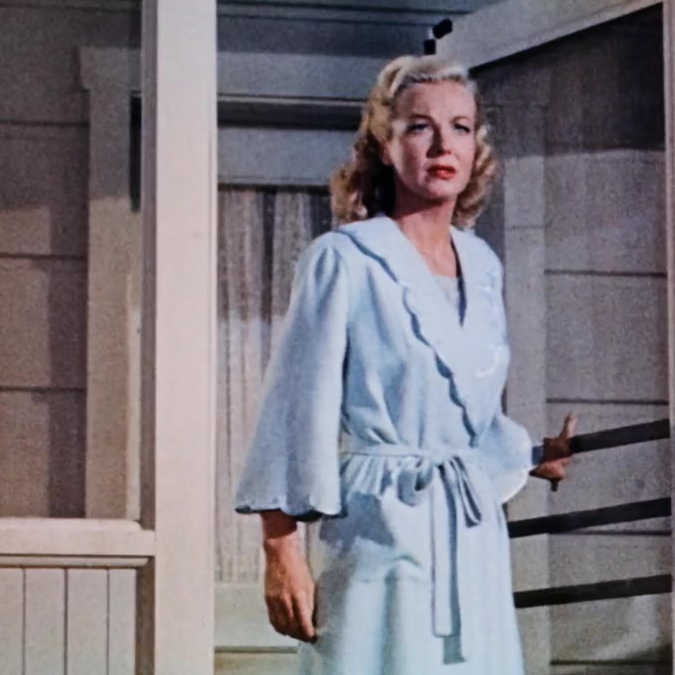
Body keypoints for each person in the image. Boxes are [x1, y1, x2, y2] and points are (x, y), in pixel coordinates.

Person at [234, 54, 576, 674]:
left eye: (460, 128)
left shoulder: (483, 264)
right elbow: (291, 408)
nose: (443, 145)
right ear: (385, 146)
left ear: (476, 149)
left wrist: (527, 455)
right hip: (378, 526)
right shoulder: (344, 258)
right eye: (420, 127)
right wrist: (281, 552)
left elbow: (460, 409)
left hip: (470, 539)